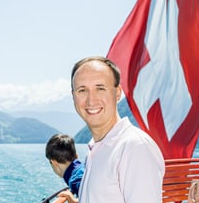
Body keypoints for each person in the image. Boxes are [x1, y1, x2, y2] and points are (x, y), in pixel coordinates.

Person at [70, 56, 165, 203]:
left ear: (118, 93)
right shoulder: (97, 148)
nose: (91, 100)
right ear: (73, 96)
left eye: (100, 88)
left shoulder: (134, 147)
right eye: (82, 90)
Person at [46, 134, 85, 203]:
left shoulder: (75, 180)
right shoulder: (83, 167)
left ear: (54, 162)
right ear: (76, 156)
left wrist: (74, 201)